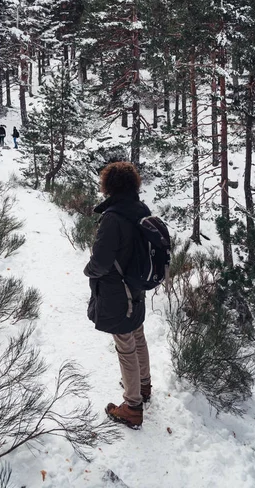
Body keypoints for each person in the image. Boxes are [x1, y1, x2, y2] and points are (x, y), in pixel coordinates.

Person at [84, 161, 152, 429]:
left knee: (125, 345)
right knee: (137, 334)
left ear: (108, 186)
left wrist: (88, 270)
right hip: (135, 285)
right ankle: (144, 386)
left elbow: (100, 262)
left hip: (117, 290)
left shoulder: (113, 217)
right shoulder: (140, 209)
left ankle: (133, 406)